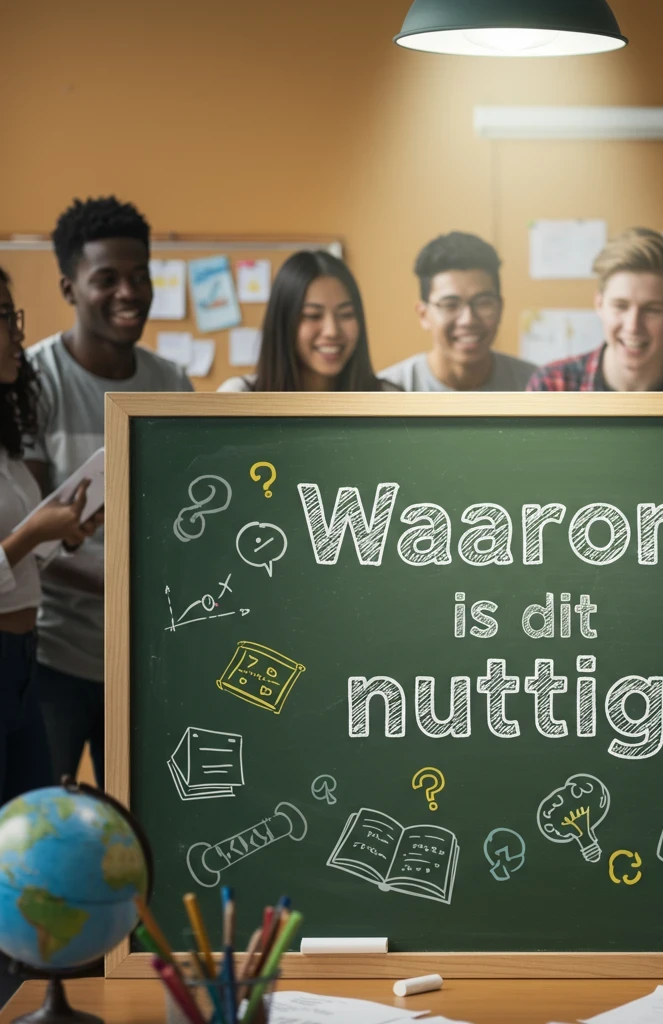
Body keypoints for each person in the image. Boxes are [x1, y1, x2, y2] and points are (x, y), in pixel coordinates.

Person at [24, 196, 193, 787]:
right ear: (70, 288)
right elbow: (34, 538)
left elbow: (187, 511)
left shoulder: (171, 383)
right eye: (107, 279)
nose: (129, 292)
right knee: (42, 827)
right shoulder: (33, 382)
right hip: (54, 658)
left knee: (143, 823)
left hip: (147, 659)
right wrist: (127, 587)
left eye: (140, 276)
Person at [1, 268, 102, 806]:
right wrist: (31, 534)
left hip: (22, 660)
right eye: (4, 317)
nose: (19, 333)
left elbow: (15, 560)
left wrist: (59, 535)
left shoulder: (5, 440)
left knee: (27, 829)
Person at [526, 227, 663, 392]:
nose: (633, 326)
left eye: (652, 310)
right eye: (620, 306)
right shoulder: (552, 385)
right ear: (599, 305)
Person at [218, 250, 398, 392]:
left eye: (346, 314)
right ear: (283, 323)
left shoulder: (389, 400)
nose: (332, 331)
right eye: (313, 315)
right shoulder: (237, 396)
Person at [378, 232, 535, 392]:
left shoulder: (538, 386)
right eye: (450, 305)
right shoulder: (385, 391)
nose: (468, 320)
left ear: (500, 308)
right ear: (423, 314)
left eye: (483, 303)